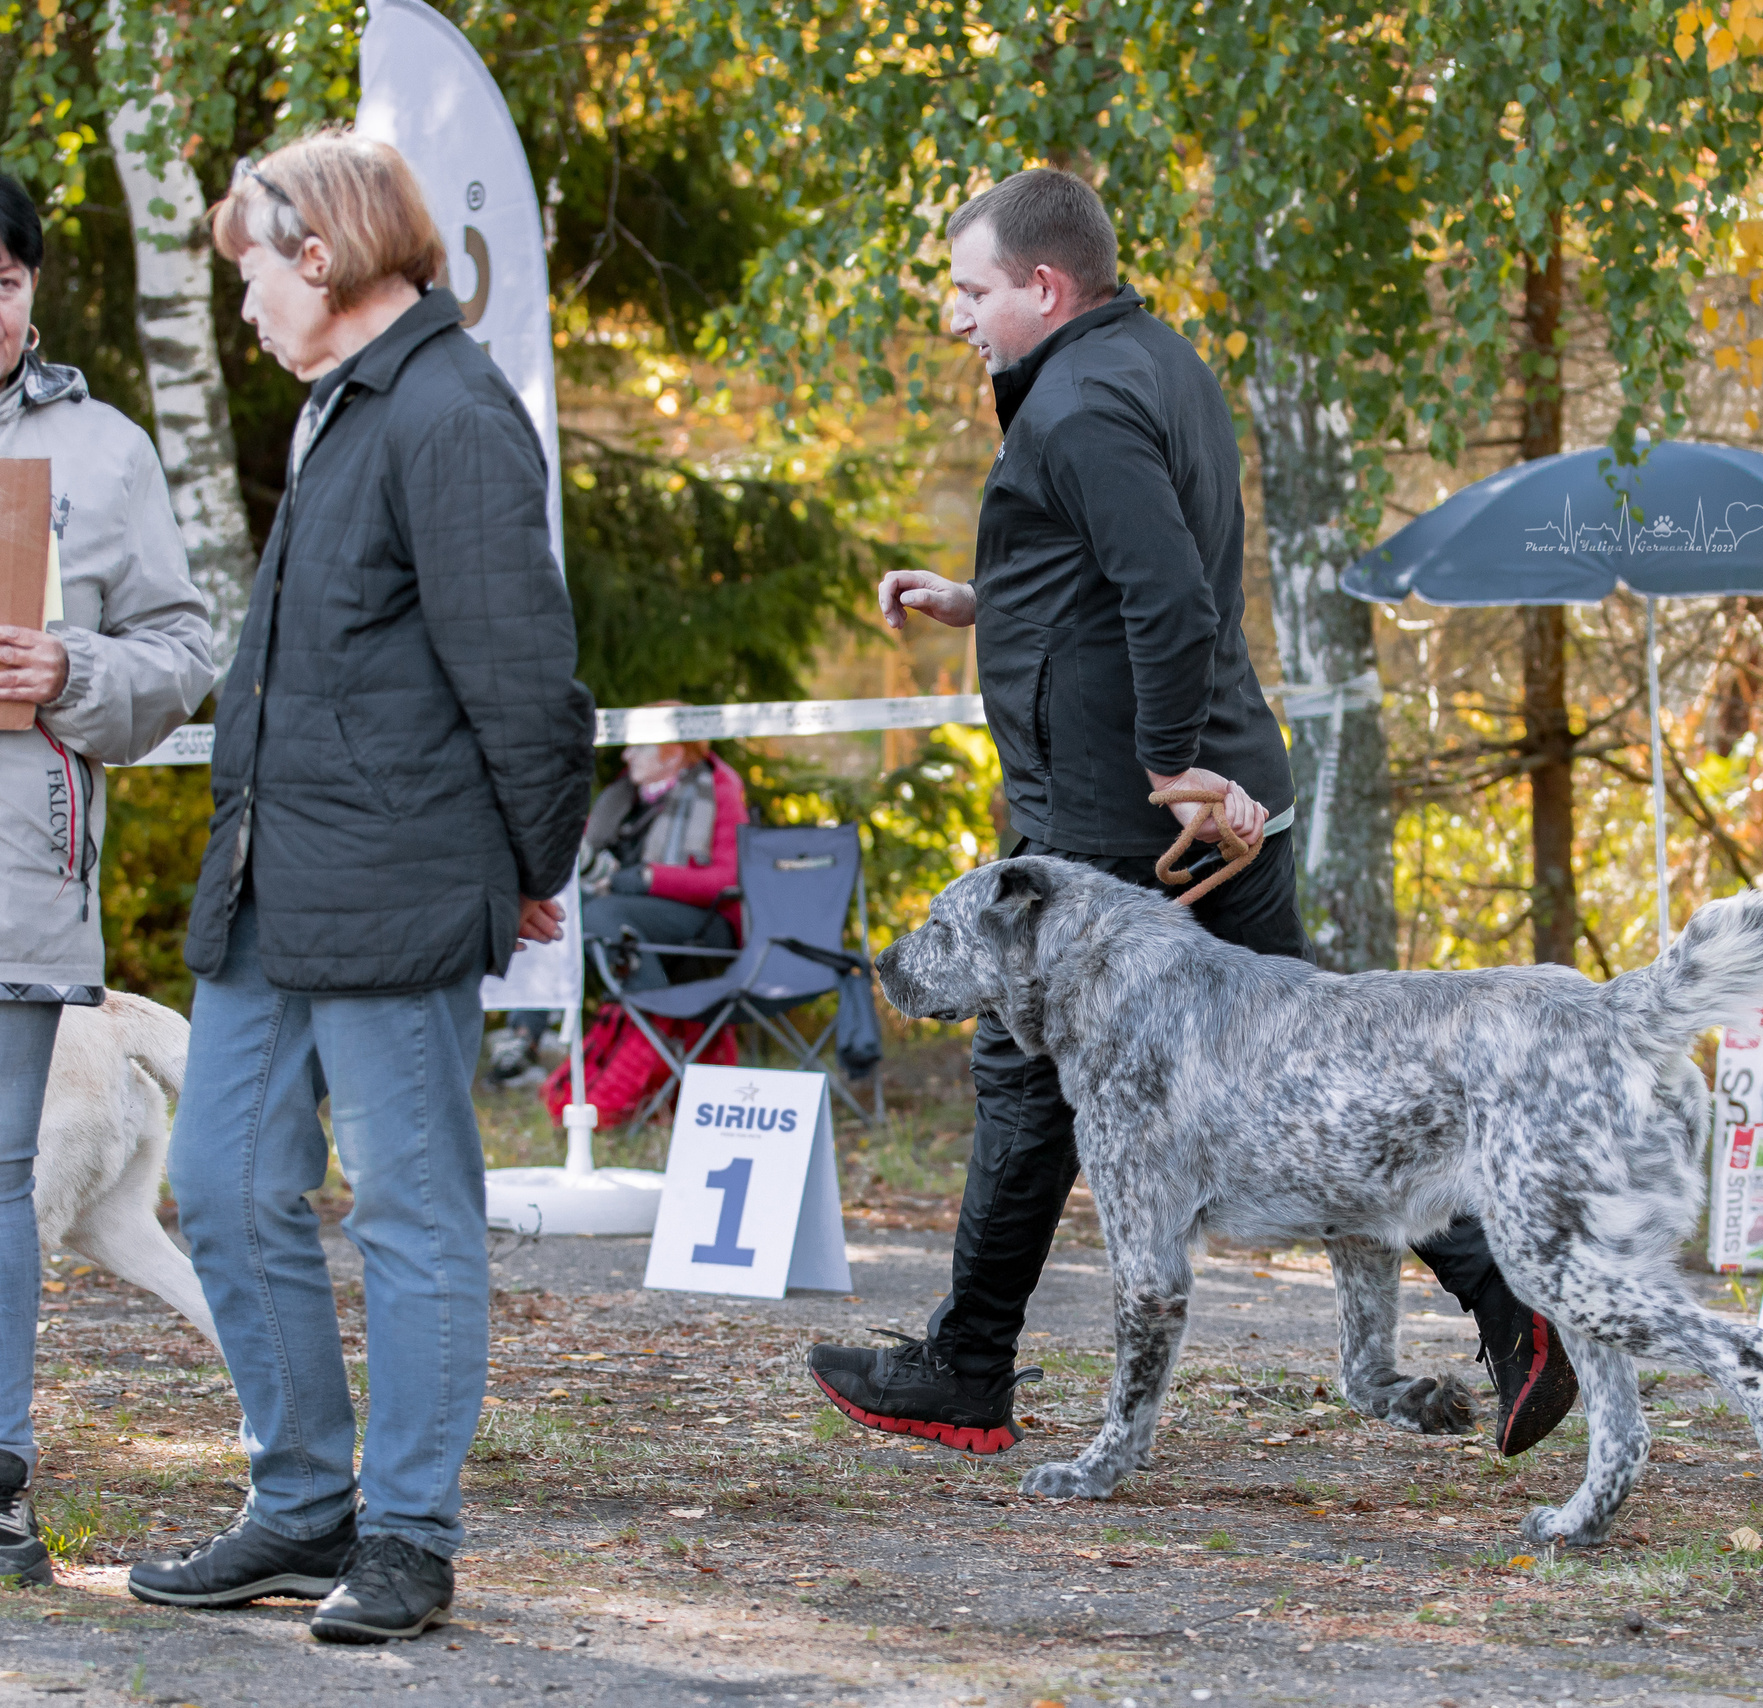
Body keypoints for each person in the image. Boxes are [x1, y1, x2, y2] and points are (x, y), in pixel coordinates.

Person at [803, 168, 1580, 1461]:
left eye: (972, 290)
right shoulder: (1152, 361)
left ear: (1044, 288)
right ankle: (1512, 1307)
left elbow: (1164, 597)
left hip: (1129, 810)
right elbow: (1114, 577)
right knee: (1315, 1071)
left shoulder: (1079, 403)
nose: (958, 317)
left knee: (1020, 1067)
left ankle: (966, 1366)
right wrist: (982, 599)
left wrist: (1168, 772)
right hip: (1221, 782)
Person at [128, 130, 594, 1643]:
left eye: (251, 269)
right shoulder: (345, 408)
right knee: (221, 1184)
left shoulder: (450, 415)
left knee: (409, 1212)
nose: (242, 302)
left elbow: (526, 681)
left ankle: (407, 1535)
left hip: (392, 887)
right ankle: (302, 1505)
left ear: (317, 257)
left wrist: (533, 861)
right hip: (272, 885)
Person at [0, 172, 216, 1586]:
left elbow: (187, 650)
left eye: (6, 283)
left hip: (17, 882)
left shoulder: (100, 451)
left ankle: (0, 1486)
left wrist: (72, 668)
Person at [486, 730, 746, 1086]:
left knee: (597, 914)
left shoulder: (717, 787)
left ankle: (653, 1033)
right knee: (548, 908)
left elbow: (727, 880)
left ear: (672, 756)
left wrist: (649, 878)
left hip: (705, 923)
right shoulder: (622, 797)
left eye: (639, 746)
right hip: (625, 913)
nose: (627, 756)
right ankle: (524, 1035)